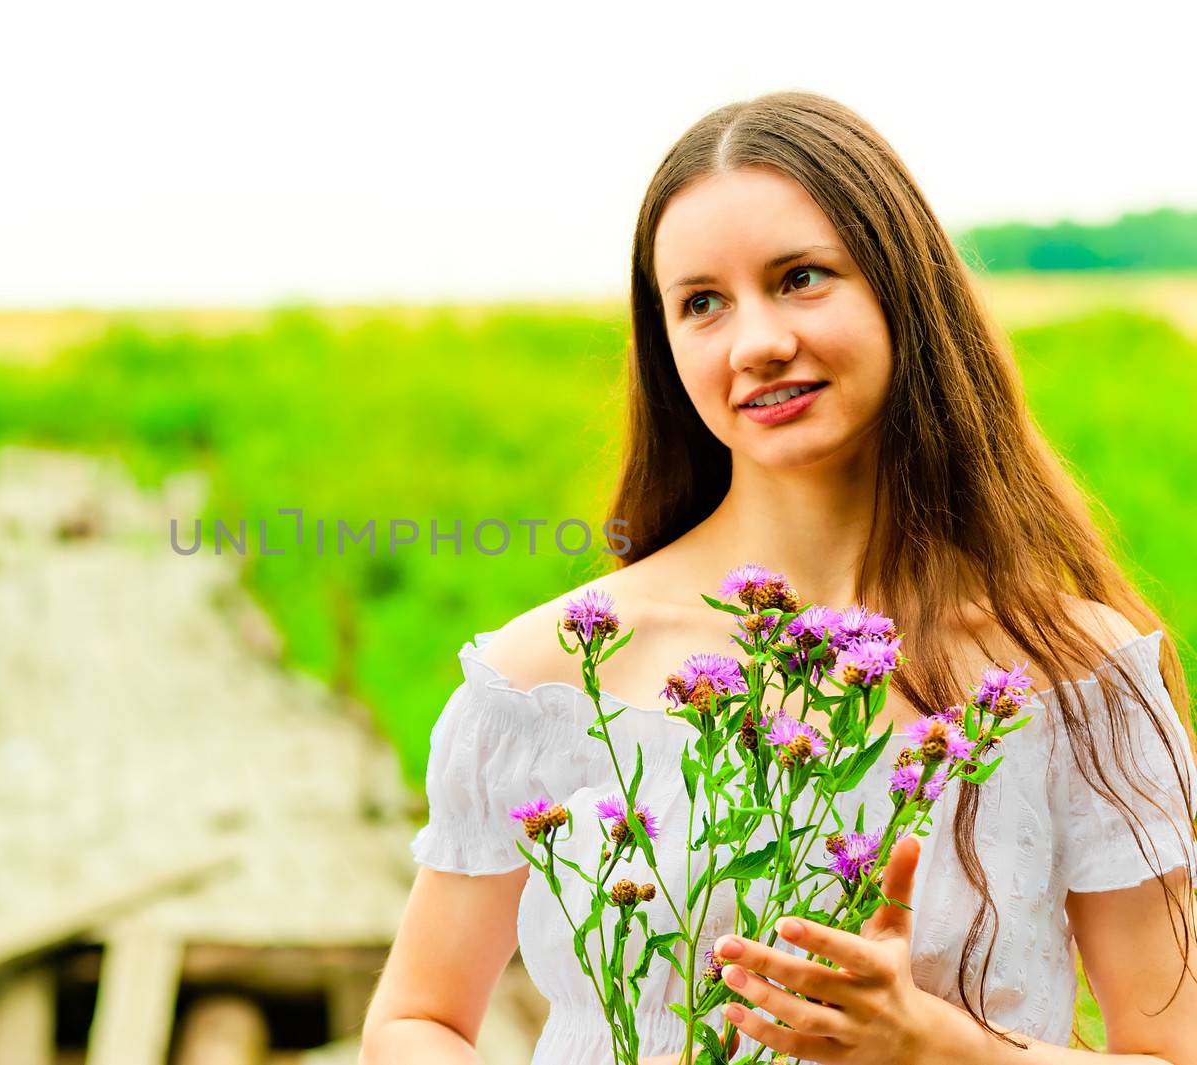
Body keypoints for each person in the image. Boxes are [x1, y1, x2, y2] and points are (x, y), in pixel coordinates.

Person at [358, 90, 1197, 1064]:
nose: (754, 342)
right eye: (701, 303)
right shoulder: (547, 675)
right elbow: (413, 1023)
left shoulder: (1072, 675)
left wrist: (935, 1047)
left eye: (800, 278)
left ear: (903, 289)